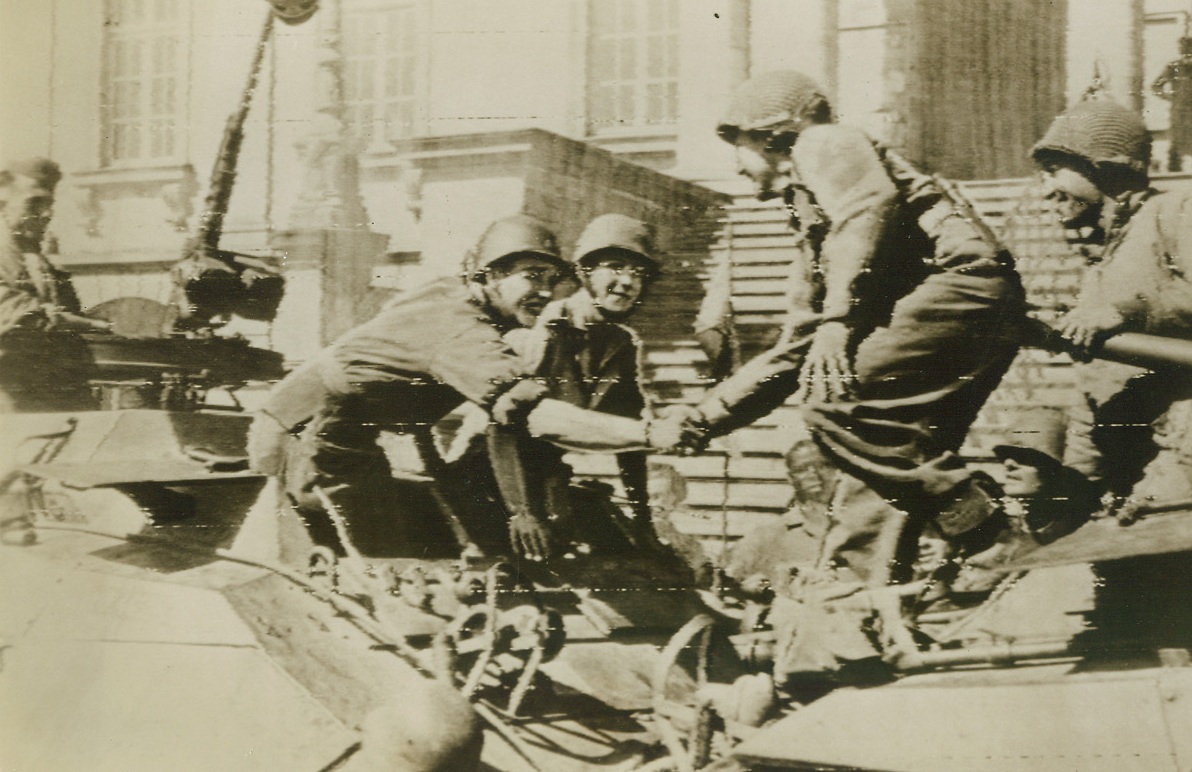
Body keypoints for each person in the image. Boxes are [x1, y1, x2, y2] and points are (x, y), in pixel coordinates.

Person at [679, 71, 1026, 591]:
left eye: (740, 144)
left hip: (964, 285)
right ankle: (864, 598)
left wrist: (839, 319)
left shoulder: (822, 141)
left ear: (774, 135)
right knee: (875, 469)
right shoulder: (816, 224)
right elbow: (796, 346)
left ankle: (987, 531)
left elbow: (868, 208)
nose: (735, 164)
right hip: (959, 302)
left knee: (836, 404)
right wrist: (706, 418)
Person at [247, 214, 693, 560]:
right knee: (388, 574)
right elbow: (529, 415)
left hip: (345, 439)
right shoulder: (465, 332)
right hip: (313, 446)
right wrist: (651, 435)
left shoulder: (451, 296)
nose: (543, 291)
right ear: (489, 276)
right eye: (530, 276)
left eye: (549, 279)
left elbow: (374, 359)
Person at [1031, 93, 1192, 513]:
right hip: (1121, 447)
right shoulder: (1104, 255)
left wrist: (1125, 311)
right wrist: (1078, 481)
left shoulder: (1174, 212)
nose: (1045, 191)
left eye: (1052, 173)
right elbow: (1098, 382)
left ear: (1101, 166)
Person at [492, 214, 662, 555]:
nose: (627, 282)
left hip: (543, 474)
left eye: (638, 274)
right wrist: (524, 511)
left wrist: (643, 521)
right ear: (584, 272)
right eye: (615, 267)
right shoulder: (552, 325)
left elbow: (632, 443)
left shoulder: (620, 342)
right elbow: (506, 424)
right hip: (496, 472)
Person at [0, 157, 107, 413]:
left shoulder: (37, 257)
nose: (46, 214)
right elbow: (18, 313)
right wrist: (92, 325)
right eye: (34, 203)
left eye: (49, 204)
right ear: (3, 201)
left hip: (55, 395)